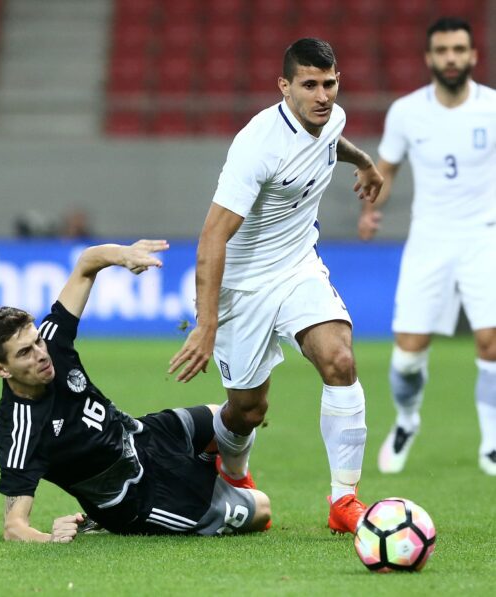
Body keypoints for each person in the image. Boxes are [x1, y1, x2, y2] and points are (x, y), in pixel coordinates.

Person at [169, 38, 383, 534]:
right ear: (284, 86)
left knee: (340, 360)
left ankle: (344, 501)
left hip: (297, 266)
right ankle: (233, 473)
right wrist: (206, 323)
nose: (322, 96)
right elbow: (212, 238)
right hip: (241, 287)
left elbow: (331, 140)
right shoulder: (258, 146)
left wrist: (364, 162)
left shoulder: (332, 117)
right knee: (247, 409)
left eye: (329, 83)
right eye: (309, 85)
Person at [0, 241, 271, 543]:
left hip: (143, 436)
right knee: (261, 509)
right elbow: (14, 527)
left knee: (223, 417)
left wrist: (123, 255)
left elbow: (86, 263)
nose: (41, 354)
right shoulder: (19, 430)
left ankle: (231, 476)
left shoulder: (53, 342)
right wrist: (51, 538)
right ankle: (193, 491)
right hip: (137, 496)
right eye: (25, 352)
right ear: (2, 370)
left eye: (37, 341)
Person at [358, 17, 496, 476]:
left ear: (473, 55)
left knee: (491, 341)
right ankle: (406, 420)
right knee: (408, 351)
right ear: (429, 58)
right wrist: (371, 208)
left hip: (485, 234)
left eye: (458, 49)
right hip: (430, 238)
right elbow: (386, 170)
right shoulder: (406, 112)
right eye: (442, 51)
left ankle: (492, 443)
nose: (450, 58)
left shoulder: (492, 108)